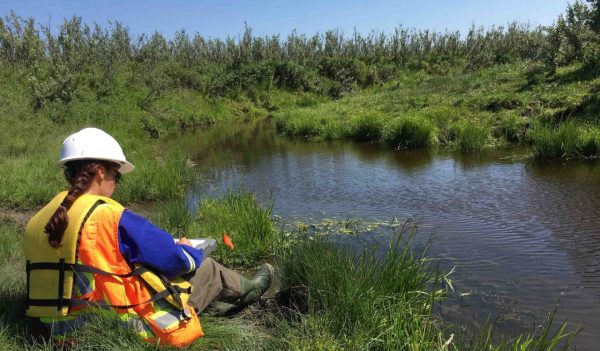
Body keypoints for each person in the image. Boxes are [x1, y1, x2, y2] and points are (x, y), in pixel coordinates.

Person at [24, 127, 274, 347]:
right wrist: (190, 251)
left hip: (56, 331)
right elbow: (175, 260)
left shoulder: (41, 218)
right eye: (116, 174)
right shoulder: (110, 215)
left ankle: (221, 300)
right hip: (121, 327)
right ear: (100, 172)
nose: (117, 182)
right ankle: (250, 290)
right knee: (206, 268)